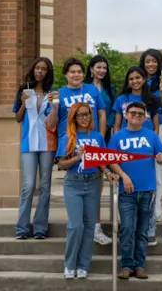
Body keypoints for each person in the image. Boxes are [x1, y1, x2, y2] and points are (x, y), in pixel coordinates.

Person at [46, 57, 111, 247]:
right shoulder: (59, 93)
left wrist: (100, 138)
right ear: (66, 74)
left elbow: (101, 114)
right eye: (72, 72)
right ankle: (76, 227)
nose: (77, 75)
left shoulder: (92, 90)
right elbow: (50, 124)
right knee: (74, 183)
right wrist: (54, 107)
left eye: (79, 71)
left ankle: (96, 227)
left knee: (96, 185)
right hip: (70, 143)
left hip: (92, 140)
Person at [108, 100, 162, 280]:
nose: (136, 116)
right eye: (133, 113)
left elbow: (161, 158)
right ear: (126, 115)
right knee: (127, 228)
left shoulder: (151, 136)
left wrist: (161, 158)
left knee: (142, 230)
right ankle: (127, 265)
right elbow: (111, 160)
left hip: (147, 190)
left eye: (140, 114)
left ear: (144, 118)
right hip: (126, 191)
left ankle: (139, 265)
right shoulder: (117, 136)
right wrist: (123, 176)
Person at [57, 102, 106, 279]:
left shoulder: (97, 137)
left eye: (87, 114)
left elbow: (101, 161)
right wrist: (77, 157)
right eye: (81, 115)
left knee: (89, 227)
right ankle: (70, 264)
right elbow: (61, 164)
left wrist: (108, 172)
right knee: (75, 225)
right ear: (74, 117)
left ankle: (83, 265)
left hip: (92, 182)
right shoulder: (68, 137)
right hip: (73, 183)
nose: (85, 118)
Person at [12, 57, 56, 240]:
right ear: (33, 69)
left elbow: (53, 121)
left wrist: (54, 106)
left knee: (45, 186)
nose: (40, 71)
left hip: (47, 143)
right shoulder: (24, 91)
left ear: (48, 72)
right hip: (29, 143)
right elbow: (17, 118)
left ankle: (40, 228)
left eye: (44, 69)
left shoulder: (52, 93)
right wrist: (23, 103)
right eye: (38, 68)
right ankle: (22, 228)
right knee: (28, 185)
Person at [138, 49, 162, 246]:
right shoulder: (139, 79)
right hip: (138, 129)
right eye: (147, 61)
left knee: (157, 171)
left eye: (154, 62)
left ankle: (156, 210)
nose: (150, 65)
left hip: (155, 128)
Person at [85, 54, 116, 246]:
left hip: (103, 139)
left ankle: (96, 226)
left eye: (104, 67)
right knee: (87, 183)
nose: (102, 70)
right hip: (84, 139)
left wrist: (102, 136)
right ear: (91, 69)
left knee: (99, 182)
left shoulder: (108, 89)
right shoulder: (84, 88)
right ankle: (88, 224)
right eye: (98, 67)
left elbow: (112, 113)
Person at [112, 67, 160, 135]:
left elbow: (156, 128)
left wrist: (153, 140)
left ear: (144, 79)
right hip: (126, 139)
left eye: (138, 78)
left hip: (146, 139)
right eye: (131, 79)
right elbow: (117, 126)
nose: (134, 81)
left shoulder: (152, 99)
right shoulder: (121, 99)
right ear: (128, 82)